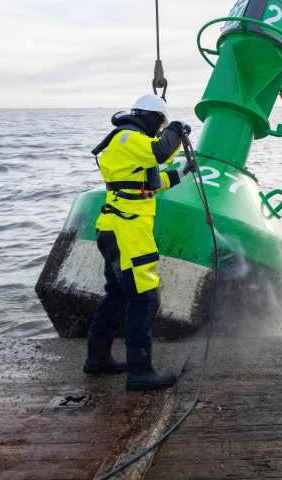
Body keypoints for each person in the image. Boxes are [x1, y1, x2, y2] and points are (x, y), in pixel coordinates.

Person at [84, 93, 194, 391]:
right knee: (144, 300)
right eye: (160, 124)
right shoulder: (127, 138)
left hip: (115, 228)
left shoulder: (129, 145)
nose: (160, 131)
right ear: (150, 118)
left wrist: (183, 172)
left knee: (117, 296)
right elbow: (160, 151)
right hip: (128, 233)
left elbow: (148, 183)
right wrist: (177, 130)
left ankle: (97, 360)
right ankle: (140, 372)